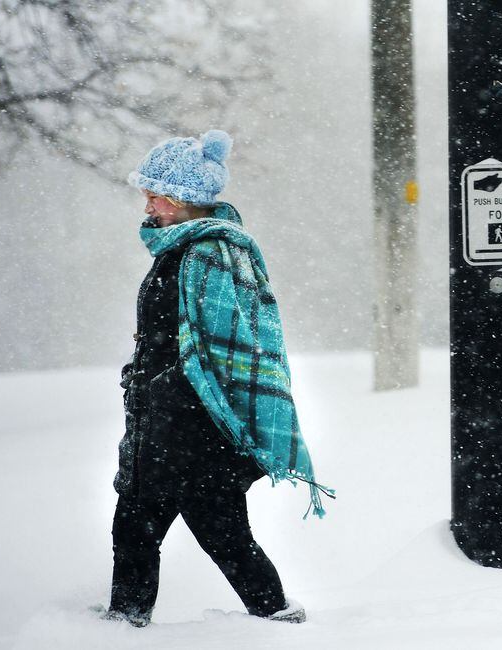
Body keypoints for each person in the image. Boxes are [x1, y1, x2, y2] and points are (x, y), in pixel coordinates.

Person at [105, 130, 332, 627]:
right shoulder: (181, 251)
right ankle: (131, 622)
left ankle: (273, 620)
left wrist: (164, 389)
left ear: (182, 200)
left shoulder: (207, 255)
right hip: (169, 426)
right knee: (163, 528)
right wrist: (141, 379)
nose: (147, 208)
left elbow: (230, 348)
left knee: (190, 530)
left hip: (188, 431)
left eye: (154, 196)